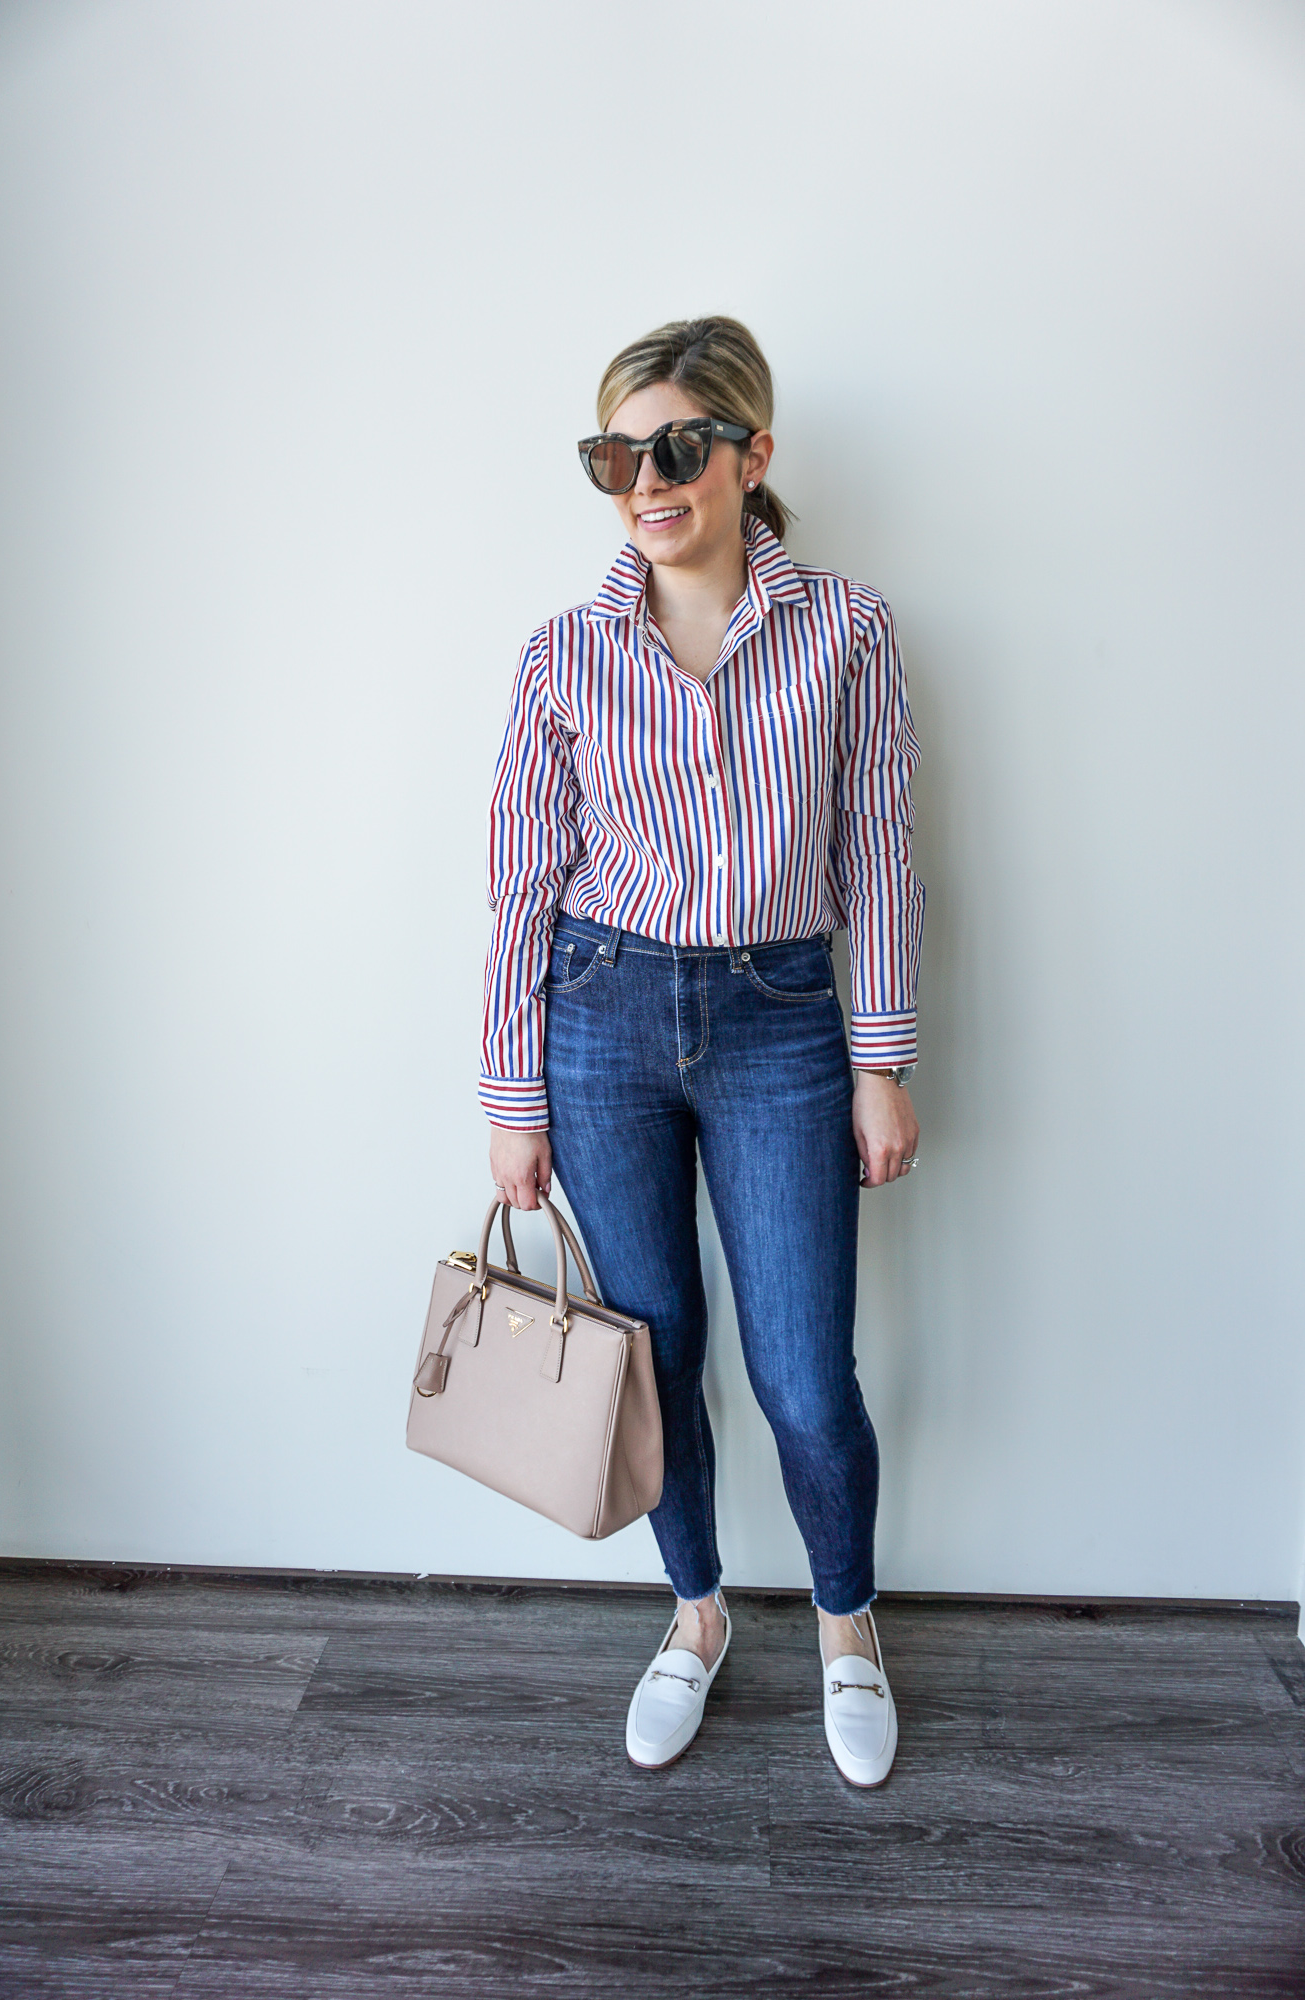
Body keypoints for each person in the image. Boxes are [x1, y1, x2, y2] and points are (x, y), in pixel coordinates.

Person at [480, 317, 923, 1786]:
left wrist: (880, 1060)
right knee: (653, 1359)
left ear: (750, 455)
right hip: (600, 1016)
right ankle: (695, 1612)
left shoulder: (848, 631)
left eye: (675, 447)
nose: (645, 481)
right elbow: (520, 893)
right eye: (617, 454)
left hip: (782, 1021)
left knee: (801, 1374)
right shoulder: (560, 654)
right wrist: (510, 1098)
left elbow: (881, 860)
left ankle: (847, 1629)